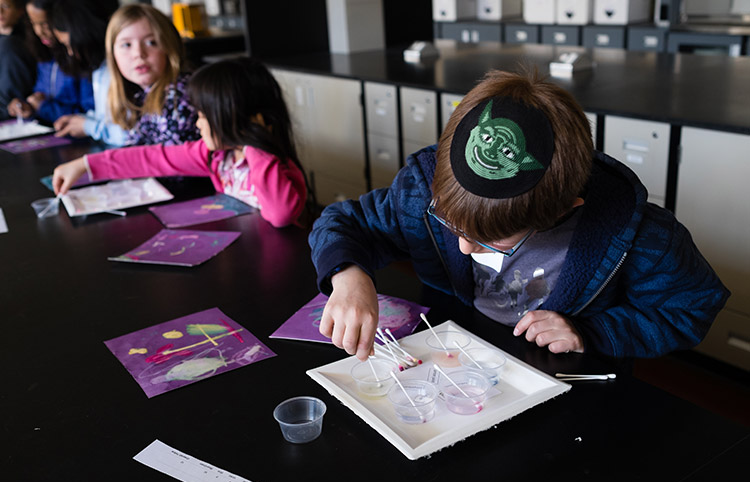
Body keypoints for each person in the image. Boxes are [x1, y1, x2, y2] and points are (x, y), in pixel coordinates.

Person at [308, 69, 730, 361]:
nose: (464, 247)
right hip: (456, 358)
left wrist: (591, 333)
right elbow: (343, 222)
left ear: (563, 212)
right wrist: (349, 276)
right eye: (449, 224)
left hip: (563, 380)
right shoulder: (421, 192)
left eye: (492, 239)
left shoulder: (641, 237)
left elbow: (691, 307)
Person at [52, 57, 308, 229]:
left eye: (204, 116)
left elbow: (280, 215)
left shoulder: (276, 166)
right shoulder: (216, 156)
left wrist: (255, 142)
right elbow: (152, 158)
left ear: (240, 119)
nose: (198, 124)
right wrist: (85, 164)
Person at [102, 3, 200, 146]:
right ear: (113, 54)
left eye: (151, 42)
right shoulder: (139, 94)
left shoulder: (179, 95)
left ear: (169, 47)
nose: (138, 54)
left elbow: (162, 161)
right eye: (126, 45)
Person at [49, 0, 126, 145]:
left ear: (82, 34)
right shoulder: (100, 69)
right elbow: (106, 117)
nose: (70, 53)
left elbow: (125, 135)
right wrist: (80, 120)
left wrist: (88, 126)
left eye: (69, 45)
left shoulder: (122, 69)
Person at [7, 0, 93, 125]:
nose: (39, 32)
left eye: (46, 24)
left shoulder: (81, 56)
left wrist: (44, 107)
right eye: (33, 24)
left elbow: (88, 115)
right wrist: (29, 107)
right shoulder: (46, 56)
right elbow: (41, 96)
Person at [0, 0, 35, 120]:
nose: (0, 12)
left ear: (19, 11)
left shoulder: (13, 44)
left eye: (6, 6)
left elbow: (10, 98)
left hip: (12, 115)